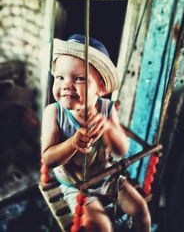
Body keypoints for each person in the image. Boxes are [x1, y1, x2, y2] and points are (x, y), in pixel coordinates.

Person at [41, 34, 151, 232]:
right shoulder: (54, 112)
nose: (66, 84)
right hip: (76, 185)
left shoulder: (107, 109)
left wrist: (108, 128)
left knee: (141, 209)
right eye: (59, 77)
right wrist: (73, 142)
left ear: (101, 88)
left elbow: (121, 150)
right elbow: (48, 159)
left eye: (80, 78)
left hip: (107, 176)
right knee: (101, 227)